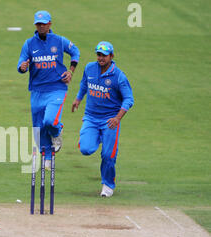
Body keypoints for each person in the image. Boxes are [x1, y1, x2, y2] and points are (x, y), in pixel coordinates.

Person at [17, 10, 80, 169]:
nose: (41, 26)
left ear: (50, 24)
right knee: (38, 127)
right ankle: (47, 156)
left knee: (50, 121)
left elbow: (75, 51)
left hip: (57, 88)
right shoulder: (29, 43)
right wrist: (23, 67)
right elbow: (21, 64)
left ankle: (57, 131)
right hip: (37, 91)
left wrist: (70, 71)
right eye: (38, 24)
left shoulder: (59, 41)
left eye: (44, 23)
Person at [71, 41, 134, 197]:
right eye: (99, 54)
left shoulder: (119, 76)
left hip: (110, 121)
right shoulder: (89, 68)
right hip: (91, 118)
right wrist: (78, 99)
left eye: (104, 55)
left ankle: (107, 185)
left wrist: (118, 118)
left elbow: (129, 99)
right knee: (85, 149)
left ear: (111, 56)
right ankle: (97, 136)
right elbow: (84, 84)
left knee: (108, 155)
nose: (101, 58)